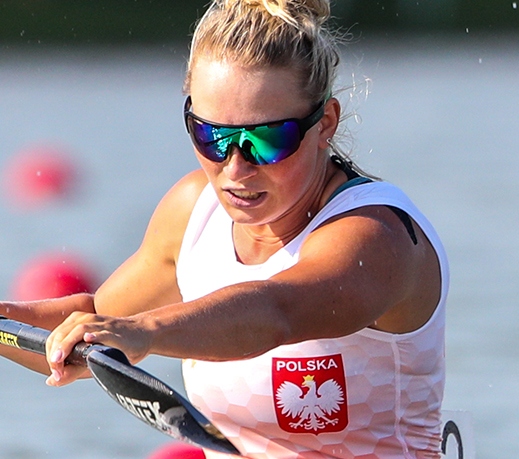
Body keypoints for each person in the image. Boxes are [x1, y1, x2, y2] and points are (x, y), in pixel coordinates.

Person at [0, 0, 449, 458]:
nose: (235, 169)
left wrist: (144, 331)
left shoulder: (377, 236)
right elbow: (89, 324)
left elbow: (278, 311)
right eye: (212, 135)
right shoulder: (192, 211)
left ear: (325, 124)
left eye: (266, 139)